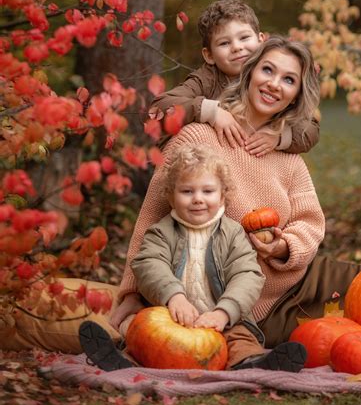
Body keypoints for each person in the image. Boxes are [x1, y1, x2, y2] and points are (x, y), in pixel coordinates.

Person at [109, 36, 360, 350]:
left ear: (296, 95)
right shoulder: (197, 137)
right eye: (267, 70)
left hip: (293, 282)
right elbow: (151, 220)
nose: (274, 84)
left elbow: (310, 224)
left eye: (288, 80)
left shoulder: (288, 156)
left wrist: (283, 246)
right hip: (232, 301)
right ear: (250, 72)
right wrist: (131, 292)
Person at [80, 144, 307, 372]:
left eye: (207, 191)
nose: (198, 199)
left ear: (222, 196)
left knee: (240, 339)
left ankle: (255, 363)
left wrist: (224, 312)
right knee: (141, 332)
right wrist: (173, 297)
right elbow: (149, 264)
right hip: (169, 317)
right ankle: (120, 360)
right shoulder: (161, 232)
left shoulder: (233, 234)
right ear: (170, 195)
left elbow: (247, 275)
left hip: (222, 321)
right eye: (187, 191)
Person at [149, 0, 320, 156]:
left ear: (261, 40)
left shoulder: (271, 81)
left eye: (244, 37)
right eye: (224, 43)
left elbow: (310, 128)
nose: (237, 47)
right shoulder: (207, 78)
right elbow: (159, 108)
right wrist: (212, 112)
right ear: (209, 55)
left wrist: (279, 136)